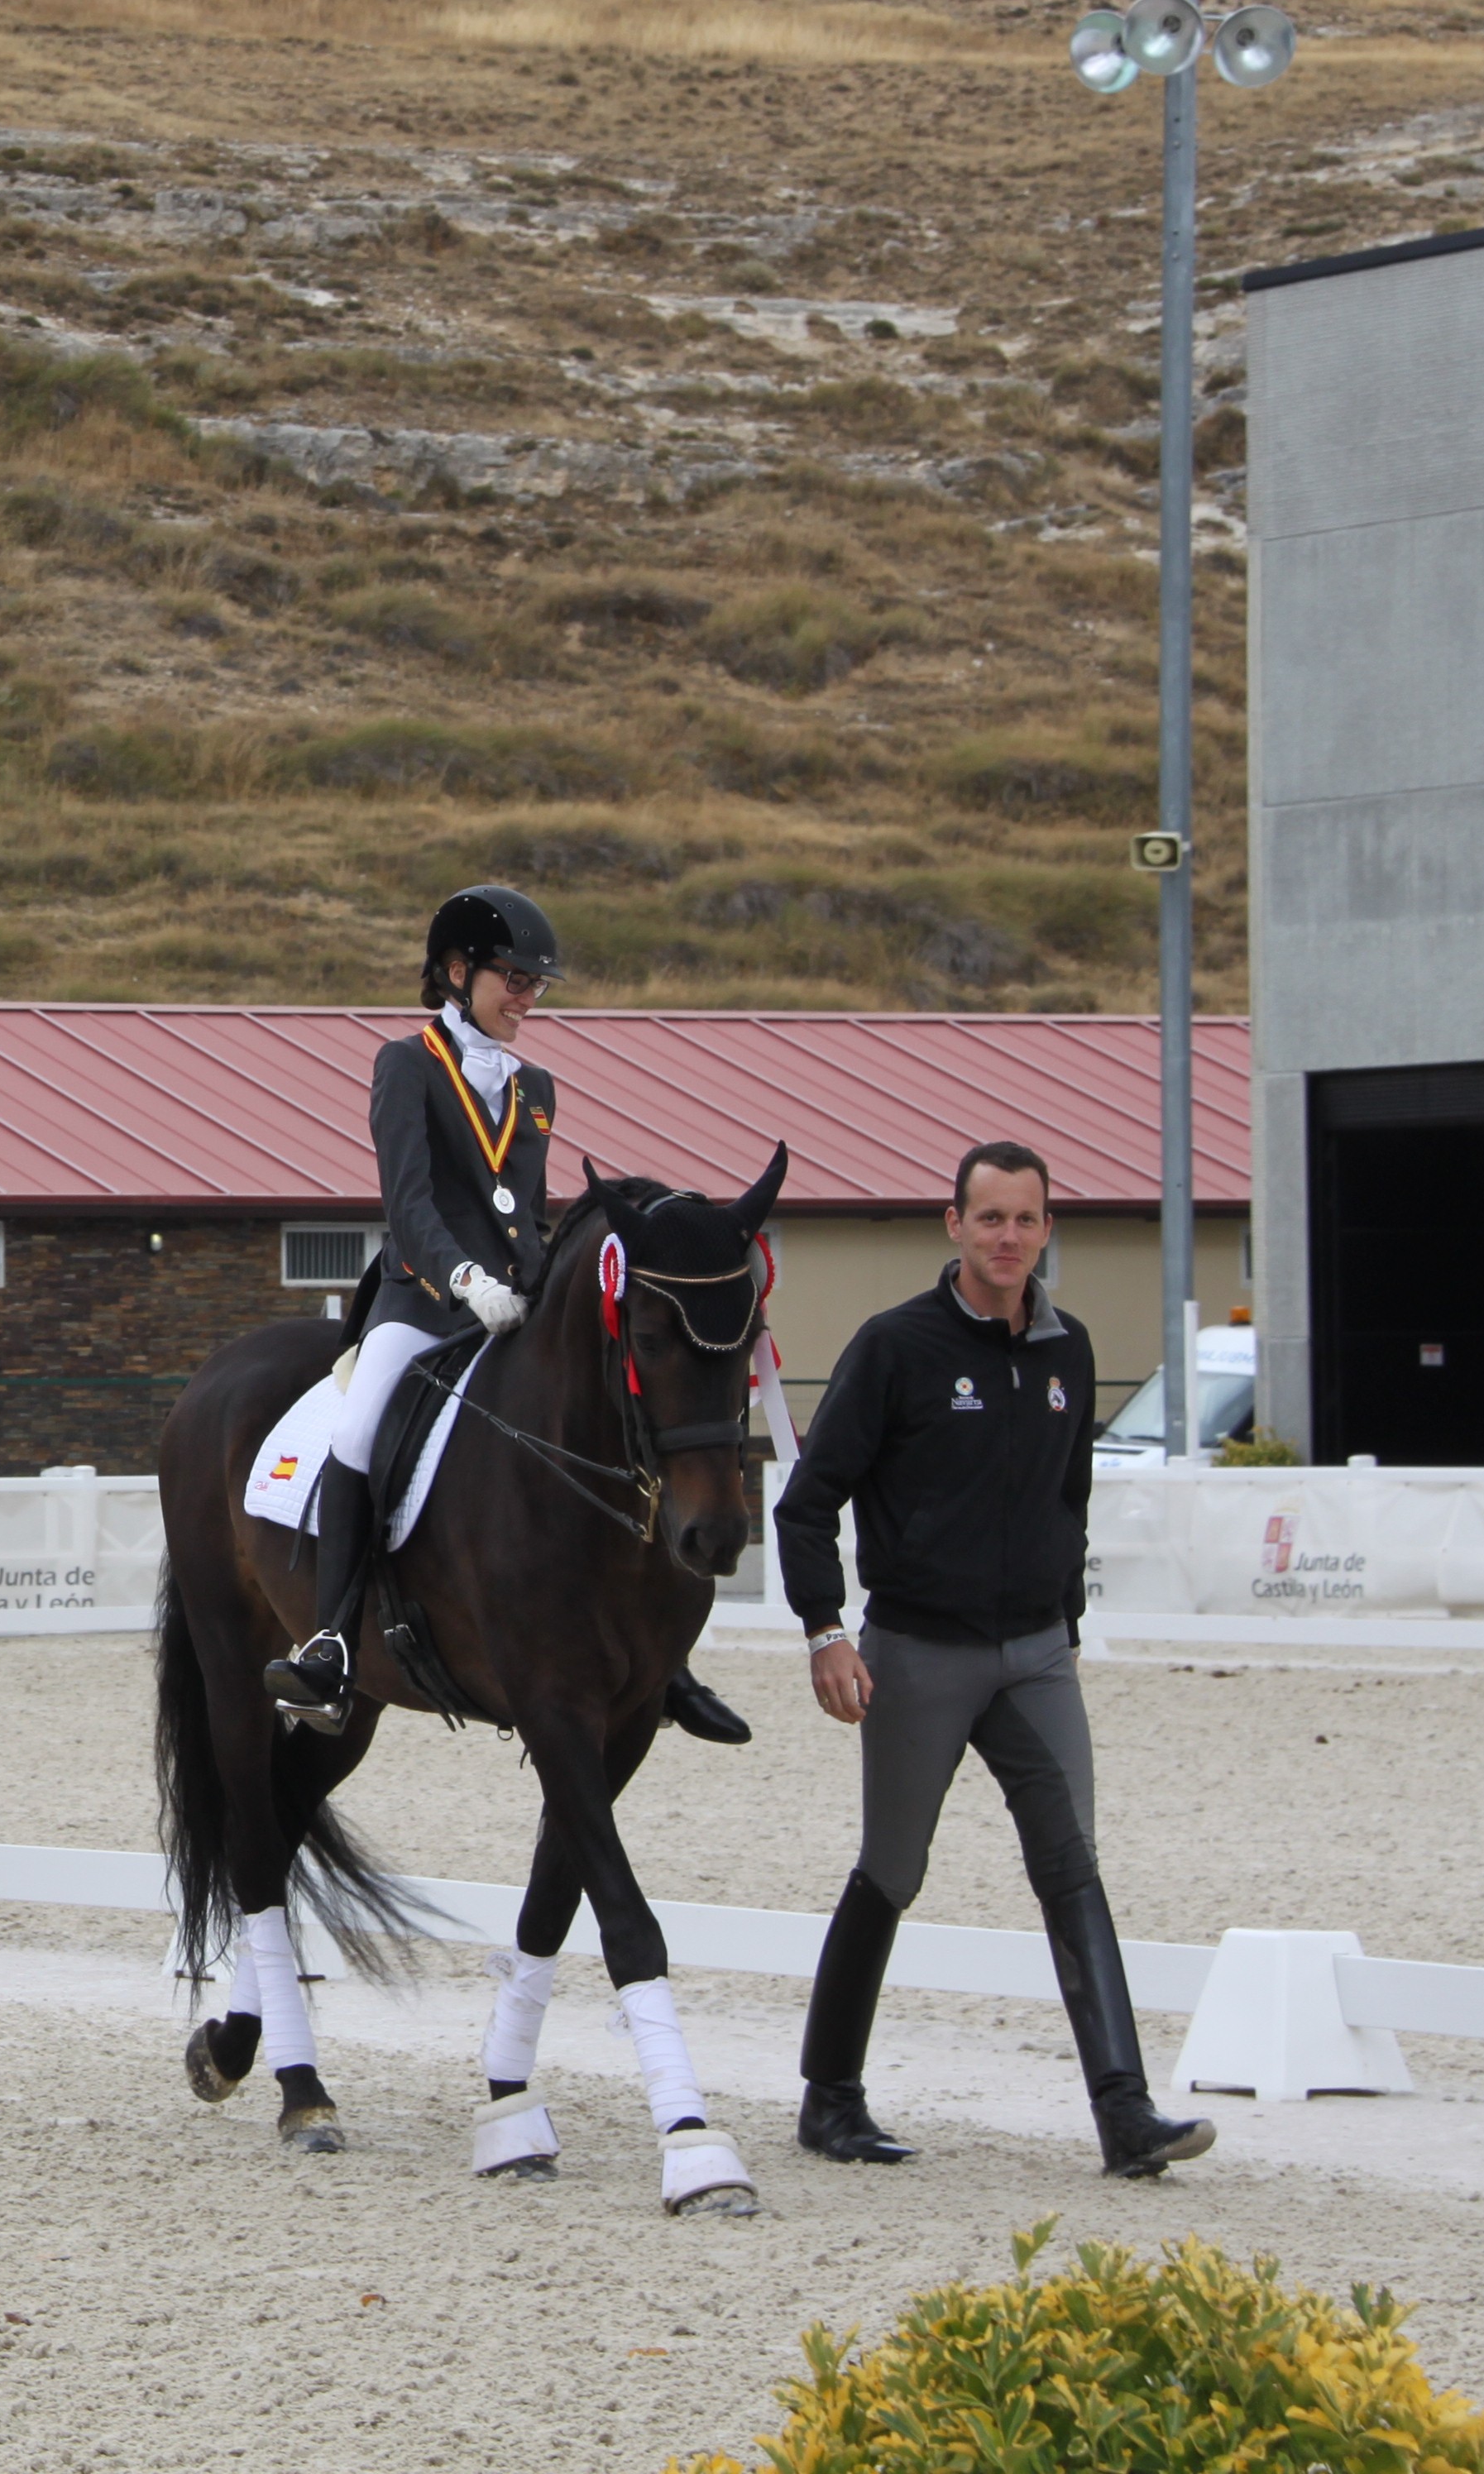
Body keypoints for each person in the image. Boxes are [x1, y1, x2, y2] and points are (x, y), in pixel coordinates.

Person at [773, 1139, 1214, 2180]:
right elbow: (806, 1502)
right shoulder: (896, 1348)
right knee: (892, 1871)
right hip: (918, 1657)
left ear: (1048, 1227)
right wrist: (825, 1631)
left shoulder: (1068, 1353)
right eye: (990, 1218)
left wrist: (1061, 1618)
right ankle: (829, 2099)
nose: (1008, 1237)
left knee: (1073, 1872)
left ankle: (1126, 2116)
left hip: (1034, 1662)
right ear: (954, 1225)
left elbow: (1071, 1496)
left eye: (1027, 1219)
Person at [261, 886, 750, 1747]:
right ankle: (333, 1641)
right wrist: (461, 1278)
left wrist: (543, 1279)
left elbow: (521, 1208)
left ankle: (659, 1659)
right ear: (457, 973)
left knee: (613, 1423)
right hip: (423, 1300)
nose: (527, 996)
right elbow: (409, 1204)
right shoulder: (405, 1065)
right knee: (361, 1429)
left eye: (536, 984)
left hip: (513, 1302)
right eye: (514, 978)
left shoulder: (536, 1087)